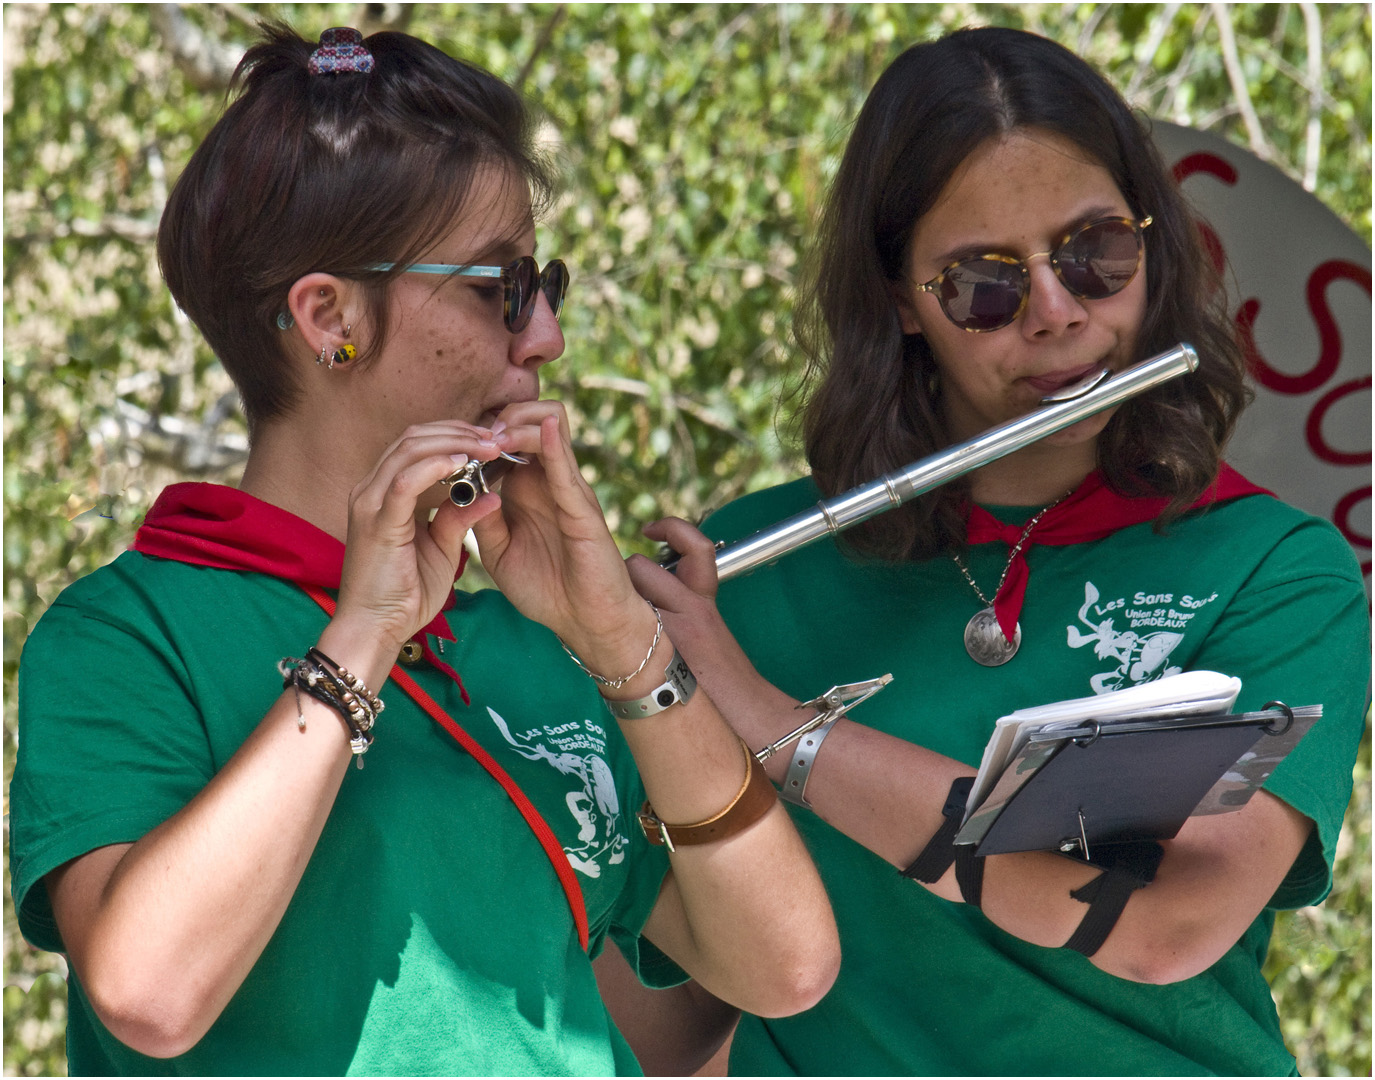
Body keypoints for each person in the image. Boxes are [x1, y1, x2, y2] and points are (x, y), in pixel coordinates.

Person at [7, 24, 840, 1077]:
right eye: (499, 287)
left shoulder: (534, 645)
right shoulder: (126, 634)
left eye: (545, 286)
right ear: (331, 318)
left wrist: (623, 643)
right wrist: (362, 638)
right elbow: (149, 993)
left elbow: (785, 965)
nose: (544, 339)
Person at [623, 26, 1371, 1077]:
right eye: (985, 285)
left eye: (1095, 255)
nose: (1058, 314)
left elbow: (1168, 925)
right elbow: (683, 1003)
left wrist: (774, 729)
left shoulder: (1273, 567)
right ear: (900, 303)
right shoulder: (749, 577)